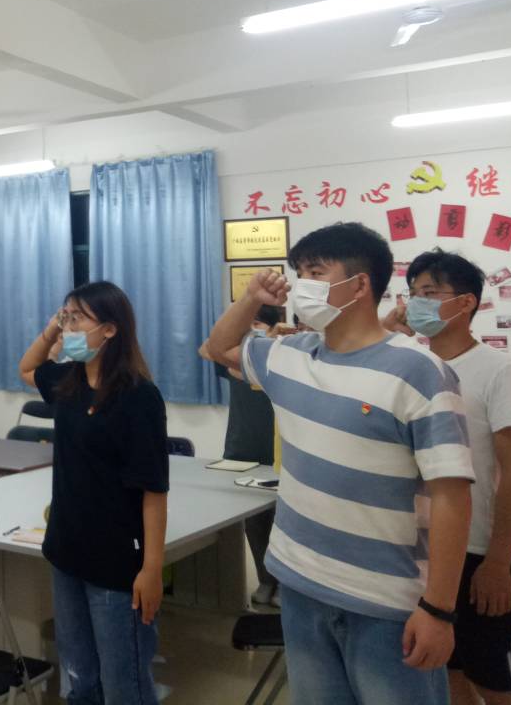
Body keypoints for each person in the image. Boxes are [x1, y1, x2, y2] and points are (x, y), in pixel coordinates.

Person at [205, 222, 474, 705]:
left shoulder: (419, 371)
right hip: (300, 582)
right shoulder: (291, 354)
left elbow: (453, 497)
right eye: (299, 273)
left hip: (385, 601)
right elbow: (217, 348)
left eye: (315, 272)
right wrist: (250, 299)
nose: (301, 284)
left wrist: (439, 609)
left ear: (359, 284)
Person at [19, 281, 169, 705]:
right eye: (65, 317)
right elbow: (27, 368)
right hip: (66, 550)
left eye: (76, 319)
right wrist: (53, 327)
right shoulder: (68, 382)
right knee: (79, 678)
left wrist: (152, 569)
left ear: (110, 329)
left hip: (116, 561)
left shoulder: (138, 396)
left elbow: (154, 490)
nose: (68, 327)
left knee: (124, 685)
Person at [385, 249, 511, 705]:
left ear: (466, 303)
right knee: (445, 669)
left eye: (429, 293)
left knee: (494, 681)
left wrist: (498, 562)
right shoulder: (414, 366)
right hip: (424, 548)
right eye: (412, 293)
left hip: (478, 551)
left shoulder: (498, 370)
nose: (415, 303)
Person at [203, 304, 283, 607]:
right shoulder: (237, 363)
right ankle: (265, 580)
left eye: (257, 324)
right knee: (254, 523)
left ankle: (284, 584)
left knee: (281, 522)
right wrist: (241, 328)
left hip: (278, 455)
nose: (251, 330)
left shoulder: (281, 363)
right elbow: (206, 349)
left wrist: (273, 340)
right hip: (241, 451)